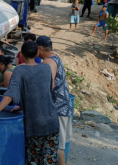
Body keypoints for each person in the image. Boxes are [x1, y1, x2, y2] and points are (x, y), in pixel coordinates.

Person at [0, 41, 59, 164]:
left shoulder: (20, 70)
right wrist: (21, 105)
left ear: (21, 55)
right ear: (37, 53)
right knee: (49, 161)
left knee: (34, 160)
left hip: (35, 125)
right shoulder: (46, 68)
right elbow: (43, 92)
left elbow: (10, 94)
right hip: (52, 122)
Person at [36, 36, 73, 165]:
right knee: (60, 144)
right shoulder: (56, 57)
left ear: (40, 48)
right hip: (65, 105)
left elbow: (48, 85)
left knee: (59, 146)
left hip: (58, 108)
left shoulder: (48, 62)